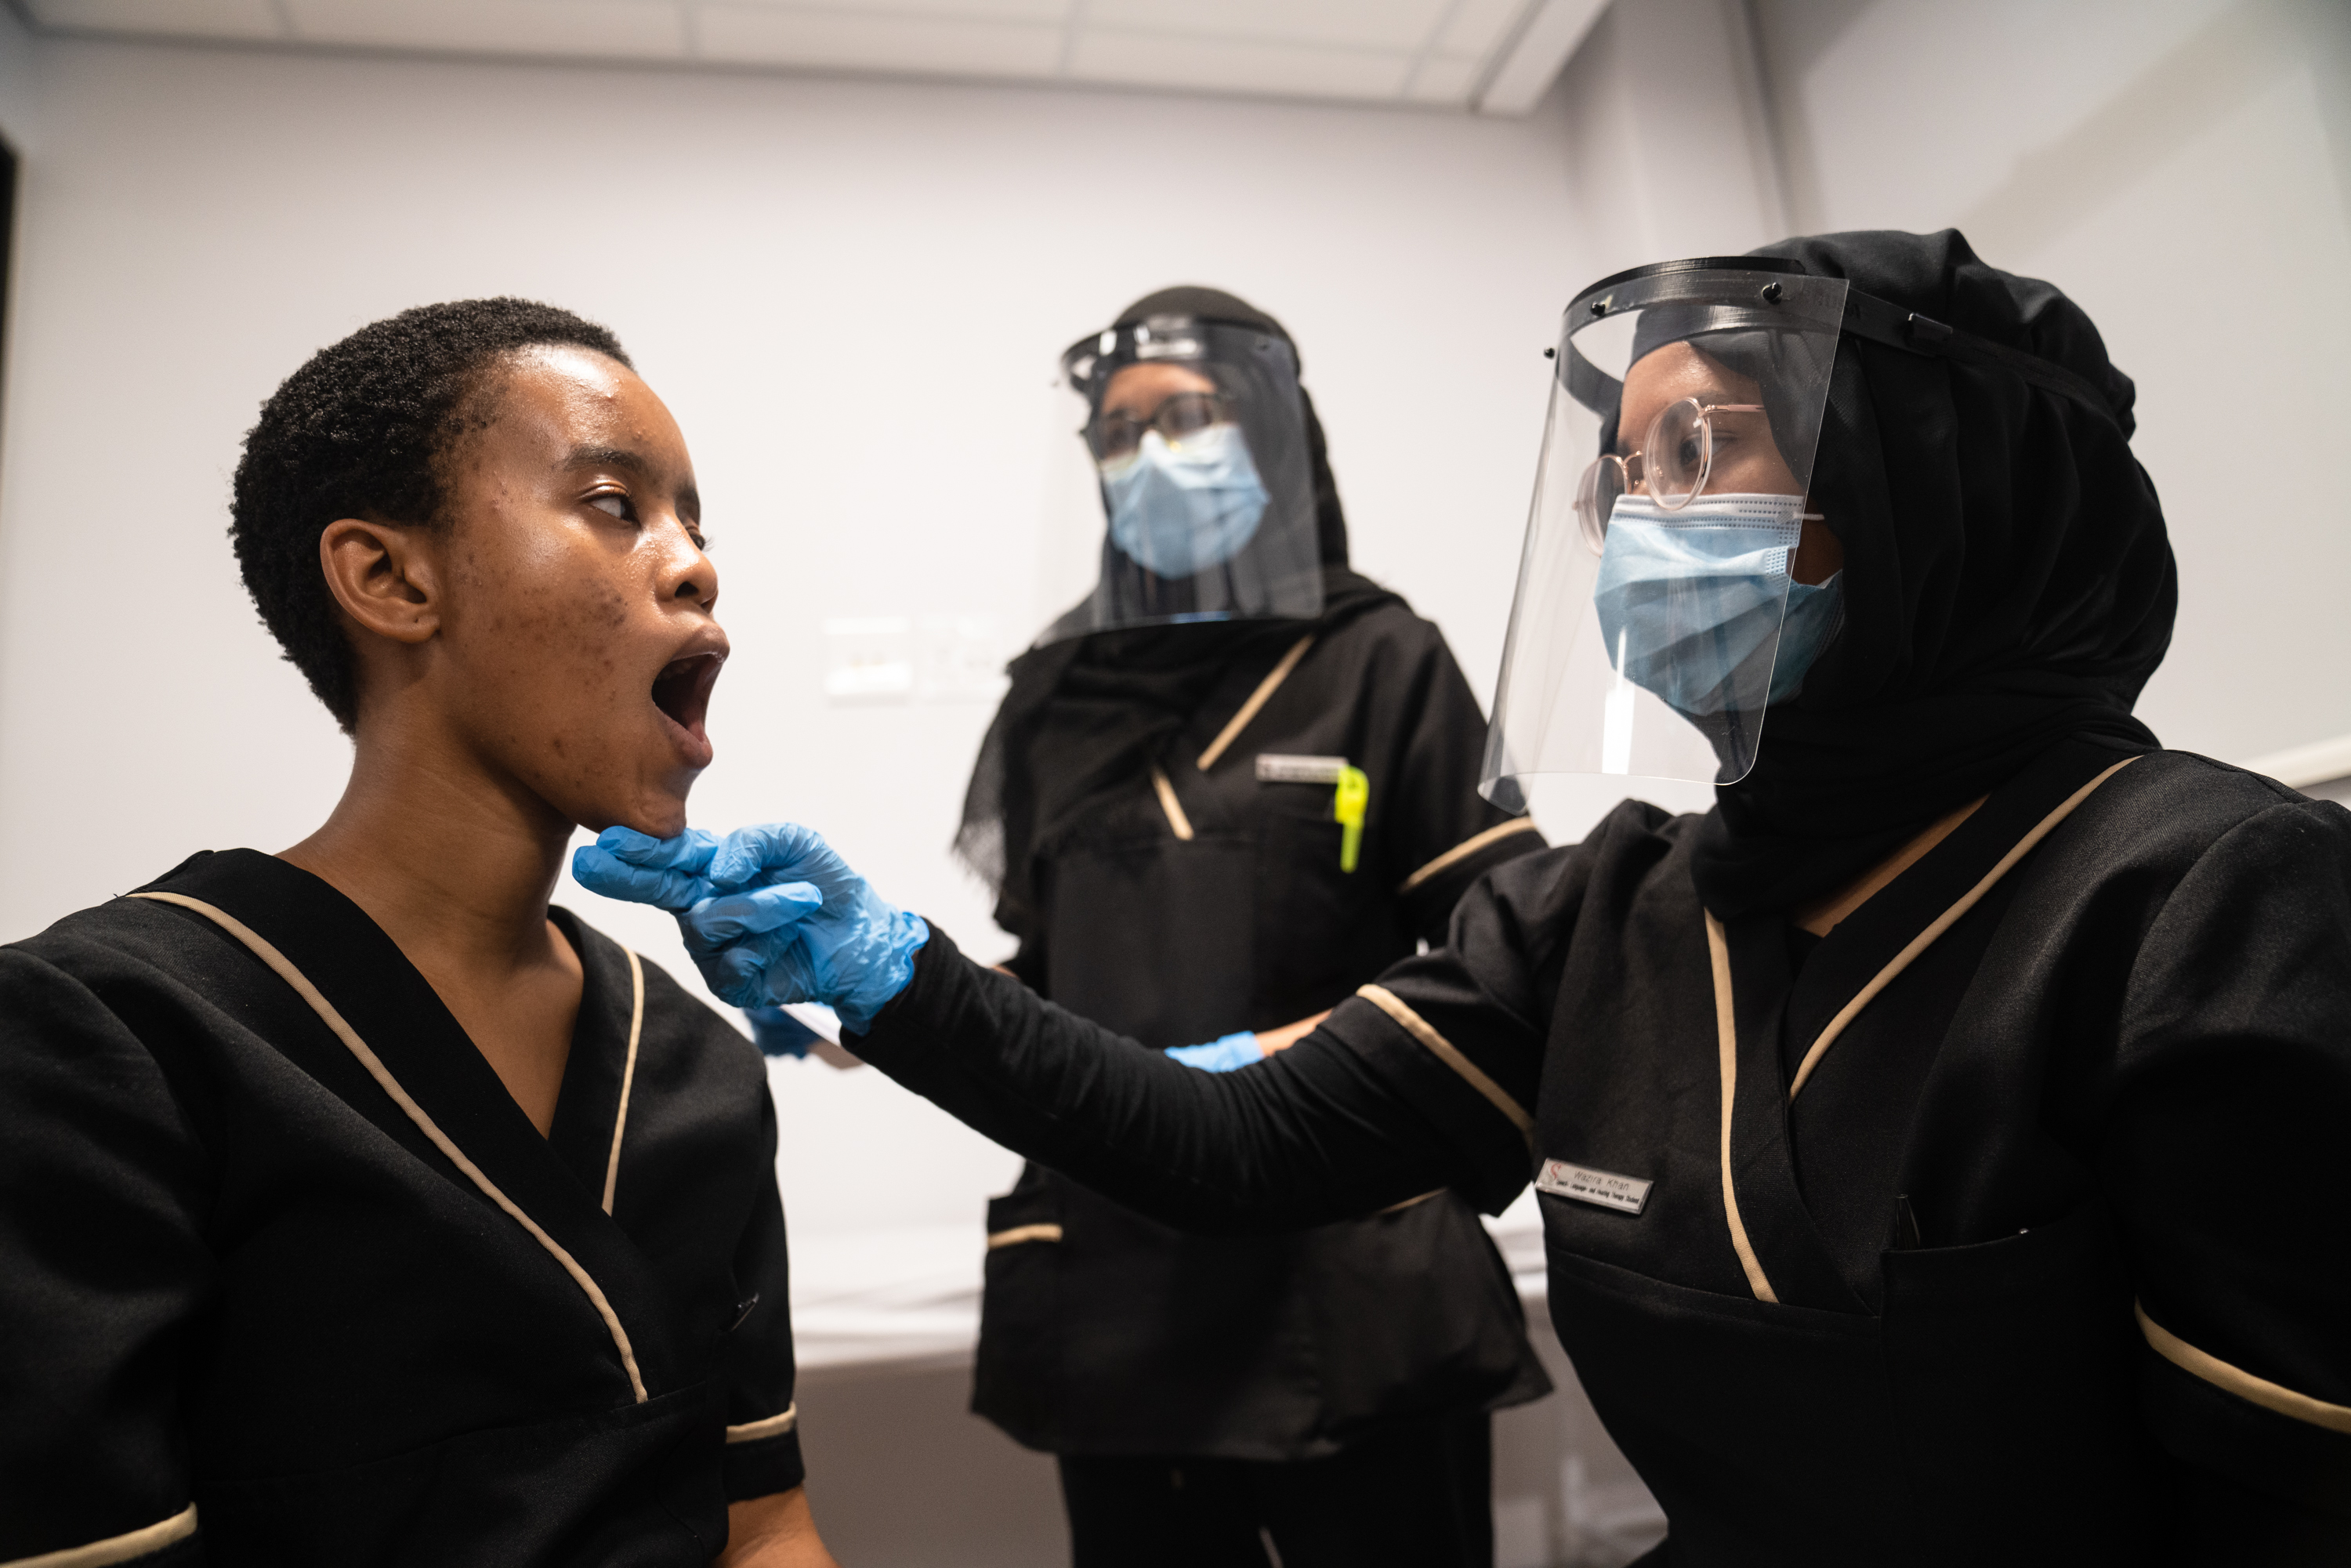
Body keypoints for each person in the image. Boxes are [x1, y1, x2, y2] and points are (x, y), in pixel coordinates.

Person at [580, 231, 2351, 1566]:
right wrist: (888, 976)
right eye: (1620, 472)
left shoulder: (2201, 899)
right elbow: (1240, 1143)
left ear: (1929, 487)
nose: (1634, 521)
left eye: (1699, 453)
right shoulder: (1620, 910)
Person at [0, 301, 837, 1566]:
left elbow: (764, 1522)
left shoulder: (692, 1064)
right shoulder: (105, 1039)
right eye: (616, 502)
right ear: (392, 578)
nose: (693, 563)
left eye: (695, 525)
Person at [977, 287, 1549, 1565]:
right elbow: (1050, 972)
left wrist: (1284, 1064)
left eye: (1187, 416)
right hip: (1122, 1272)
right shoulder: (1053, 696)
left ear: (1277, 434)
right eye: (1119, 435)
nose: (1149, 457)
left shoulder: (1382, 659)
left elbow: (1507, 955)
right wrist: (869, 1000)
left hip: (1344, 1265)